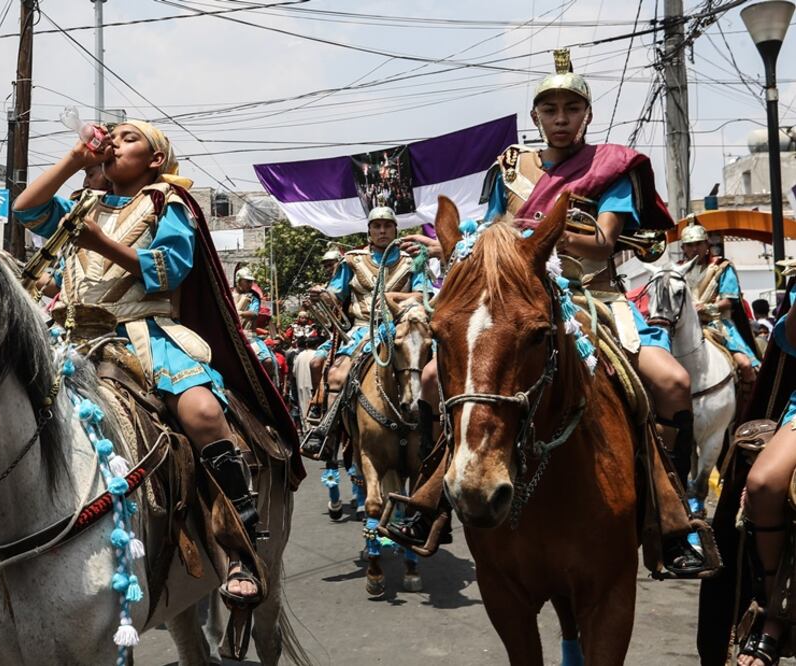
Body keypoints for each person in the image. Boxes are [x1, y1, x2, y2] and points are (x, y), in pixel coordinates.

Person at [390, 48, 713, 579]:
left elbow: (603, 241)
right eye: (550, 110)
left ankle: (673, 516)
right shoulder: (510, 170)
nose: (561, 119)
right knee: (429, 378)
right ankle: (434, 496)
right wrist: (446, 246)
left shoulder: (612, 168)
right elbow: (488, 232)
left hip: (593, 295)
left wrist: (542, 233)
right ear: (536, 116)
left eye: (571, 108)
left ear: (587, 114)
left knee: (673, 382)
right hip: (518, 295)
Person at [13, 119, 298, 609]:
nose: (114, 143)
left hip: (144, 335)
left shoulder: (169, 203)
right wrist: (76, 159)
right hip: (70, 341)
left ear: (156, 160)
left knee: (203, 413)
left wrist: (98, 242)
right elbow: (26, 209)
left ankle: (240, 546)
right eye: (112, 137)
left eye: (130, 139)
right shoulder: (83, 204)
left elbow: (168, 270)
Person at [301, 206, 425, 457]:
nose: (382, 231)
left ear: (395, 230)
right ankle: (327, 434)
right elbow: (335, 294)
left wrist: (393, 297)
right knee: (335, 375)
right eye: (377, 226)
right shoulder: (351, 260)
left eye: (387, 226)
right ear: (369, 231)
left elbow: (422, 296)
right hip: (361, 331)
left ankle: (439, 430)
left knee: (433, 372)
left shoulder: (413, 258)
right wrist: (320, 294)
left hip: (401, 329)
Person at [736, 280, 796, 666]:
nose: (690, 250)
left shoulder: (721, 270)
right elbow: (791, 339)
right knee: (762, 483)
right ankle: (776, 610)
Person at [678, 223, 760, 393]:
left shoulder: (722, 266)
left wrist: (705, 307)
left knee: (745, 365)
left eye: (699, 243)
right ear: (683, 248)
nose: (695, 249)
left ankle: (747, 405)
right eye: (690, 245)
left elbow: (729, 300)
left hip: (717, 326)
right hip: (684, 326)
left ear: (707, 244)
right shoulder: (676, 270)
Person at [233, 267, 278, 381]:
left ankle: (267, 386)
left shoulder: (253, 297)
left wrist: (238, 313)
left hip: (249, 337)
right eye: (247, 281)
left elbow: (254, 313)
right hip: (230, 334)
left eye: (251, 281)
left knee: (268, 361)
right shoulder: (228, 294)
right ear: (239, 280)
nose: (250, 284)